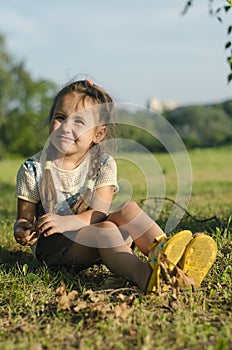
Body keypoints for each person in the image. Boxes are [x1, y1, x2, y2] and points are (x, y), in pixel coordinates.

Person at [14, 79, 217, 294]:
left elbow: (99, 213)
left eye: (79, 122)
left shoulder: (103, 164)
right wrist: (22, 230)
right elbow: (24, 219)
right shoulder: (34, 168)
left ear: (98, 135)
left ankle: (167, 256)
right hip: (57, 248)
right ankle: (146, 277)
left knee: (127, 208)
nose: (66, 127)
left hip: (89, 232)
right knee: (107, 231)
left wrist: (66, 221)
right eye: (60, 118)